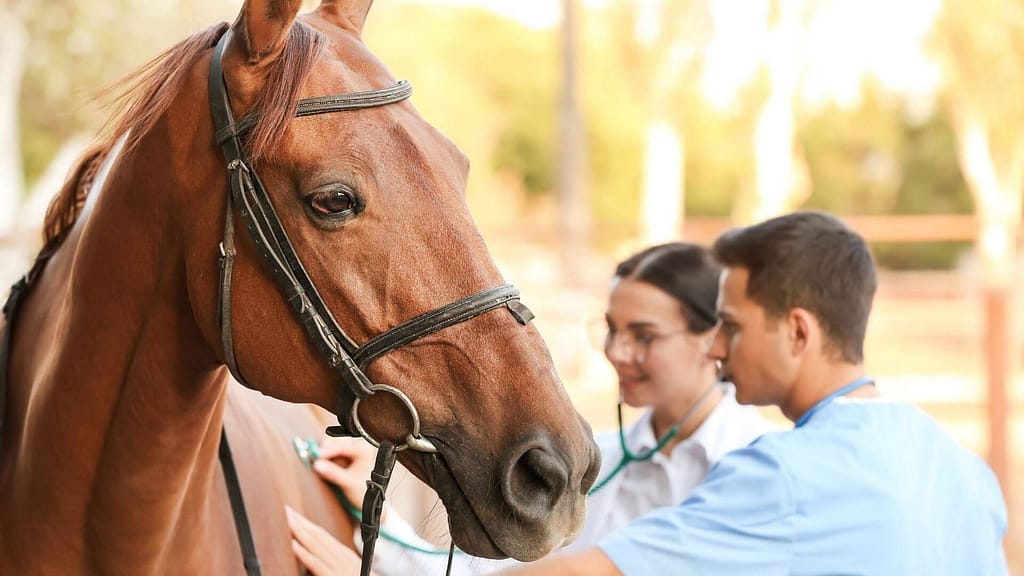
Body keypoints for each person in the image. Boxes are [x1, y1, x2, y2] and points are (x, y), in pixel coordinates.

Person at [287, 242, 775, 575]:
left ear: (711, 336)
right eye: (612, 328)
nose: (617, 352)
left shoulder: (757, 467)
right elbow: (491, 575)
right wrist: (378, 520)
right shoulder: (597, 460)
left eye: (643, 336)